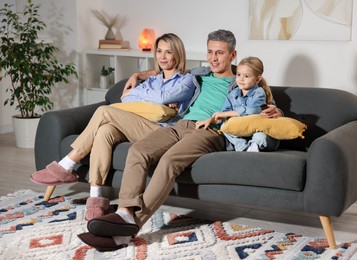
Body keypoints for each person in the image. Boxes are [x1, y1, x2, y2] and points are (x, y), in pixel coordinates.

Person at [77, 29, 283, 251]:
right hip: (181, 124)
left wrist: (277, 112)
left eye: (220, 53)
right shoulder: (199, 74)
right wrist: (137, 76)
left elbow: (267, 102)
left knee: (169, 161)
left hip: (211, 131)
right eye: (210, 52)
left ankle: (130, 227)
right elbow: (167, 68)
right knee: (138, 151)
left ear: (232, 56)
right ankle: (124, 212)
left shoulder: (243, 78)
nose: (213, 58)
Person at [30, 33, 197, 221]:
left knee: (104, 111)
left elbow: (160, 98)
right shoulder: (152, 80)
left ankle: (66, 165)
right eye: (159, 51)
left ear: (178, 54)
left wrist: (147, 96)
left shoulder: (187, 80)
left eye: (169, 52)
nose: (163, 56)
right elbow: (126, 98)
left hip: (162, 132)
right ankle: (96, 196)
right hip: (135, 124)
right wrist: (145, 86)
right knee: (104, 131)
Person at [196, 56, 280, 152]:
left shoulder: (259, 92)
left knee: (259, 137)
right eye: (238, 74)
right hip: (242, 132)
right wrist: (211, 119)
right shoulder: (233, 94)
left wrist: (226, 114)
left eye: (246, 76)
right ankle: (244, 148)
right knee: (224, 127)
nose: (241, 79)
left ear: (257, 79)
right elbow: (224, 114)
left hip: (258, 129)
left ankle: (254, 146)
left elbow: (253, 110)